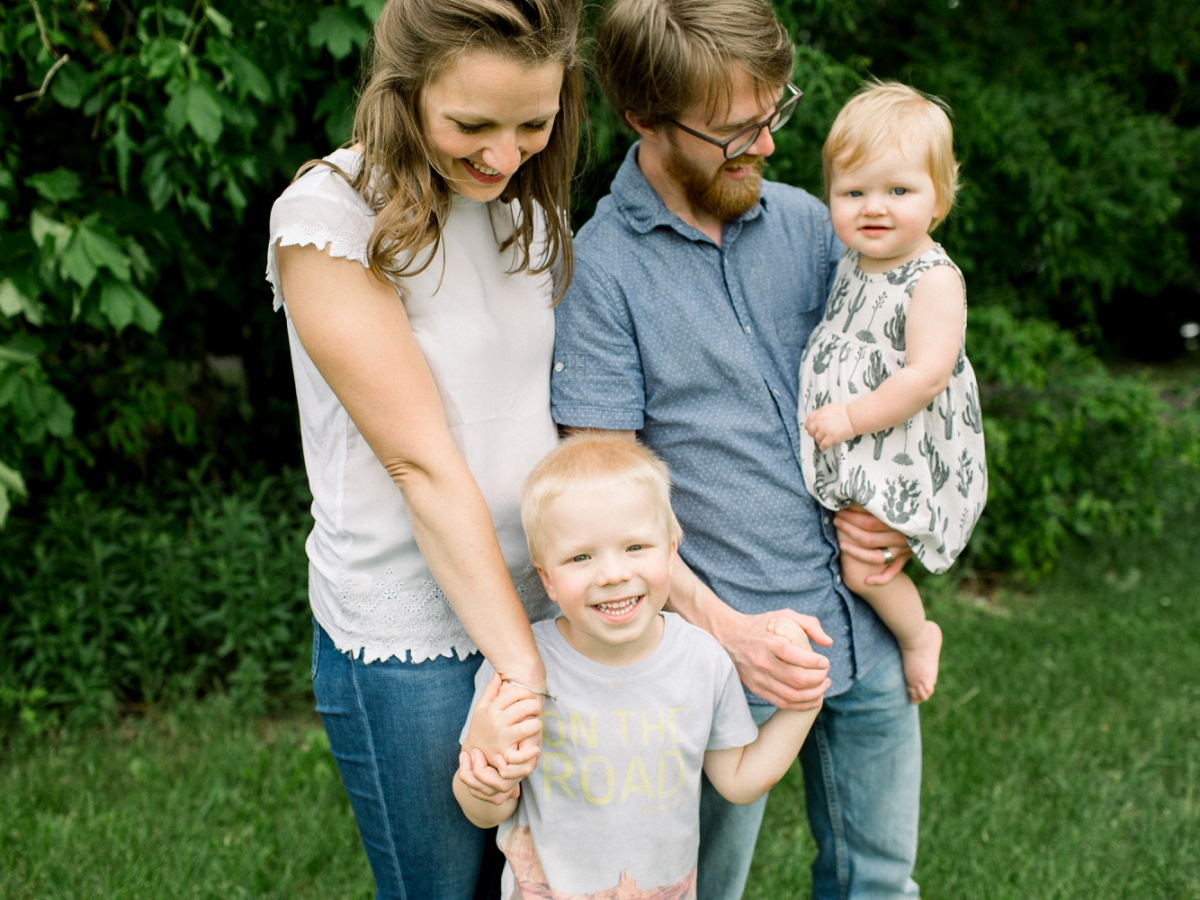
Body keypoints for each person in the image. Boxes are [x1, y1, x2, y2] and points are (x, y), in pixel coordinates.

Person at [549, 0, 924, 897]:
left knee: (880, 882)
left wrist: (905, 522)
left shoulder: (811, 225)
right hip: (717, 659)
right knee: (699, 889)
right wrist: (731, 635)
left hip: (863, 630)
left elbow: (907, 389)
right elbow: (606, 502)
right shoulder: (597, 273)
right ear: (646, 118)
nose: (764, 146)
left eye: (773, 114)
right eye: (732, 132)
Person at [264, 1, 583, 897]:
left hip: (552, 603)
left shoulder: (524, 205)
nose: (503, 154)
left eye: (535, 122)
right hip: (416, 632)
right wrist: (521, 671)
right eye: (471, 125)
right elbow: (421, 463)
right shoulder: (328, 215)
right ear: (404, 91)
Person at [453, 434, 820, 899]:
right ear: (546, 578)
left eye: (635, 548)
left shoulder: (702, 660)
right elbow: (486, 811)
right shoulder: (522, 668)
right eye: (580, 557)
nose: (612, 574)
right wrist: (482, 784)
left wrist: (805, 701)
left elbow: (740, 780)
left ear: (671, 551)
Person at [799, 82, 987, 704]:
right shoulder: (856, 258)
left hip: (900, 442)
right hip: (863, 438)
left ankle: (917, 635)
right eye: (854, 193)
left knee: (866, 563)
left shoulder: (932, 278)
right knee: (852, 543)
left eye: (898, 191)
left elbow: (925, 376)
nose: (873, 208)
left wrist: (851, 416)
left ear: (939, 199)